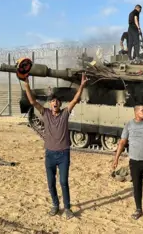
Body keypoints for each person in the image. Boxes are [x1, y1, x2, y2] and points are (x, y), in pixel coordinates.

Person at [23, 72, 88, 219]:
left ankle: (68, 208)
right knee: (51, 183)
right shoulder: (45, 113)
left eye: (57, 101)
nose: (55, 103)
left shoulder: (65, 113)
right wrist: (26, 84)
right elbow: (33, 102)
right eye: (52, 101)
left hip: (64, 154)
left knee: (64, 182)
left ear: (60, 104)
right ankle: (55, 205)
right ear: (50, 104)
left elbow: (76, 99)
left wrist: (82, 85)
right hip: (50, 154)